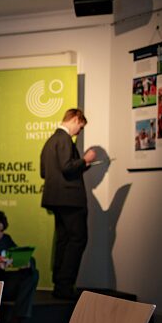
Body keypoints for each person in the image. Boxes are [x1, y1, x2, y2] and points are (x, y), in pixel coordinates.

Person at [40, 108, 96, 300]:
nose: (79, 132)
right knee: (77, 239)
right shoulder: (64, 139)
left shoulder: (50, 141)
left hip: (55, 199)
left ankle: (59, 283)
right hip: (71, 201)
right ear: (74, 119)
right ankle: (65, 284)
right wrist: (85, 160)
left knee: (63, 240)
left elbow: (44, 172)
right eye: (80, 127)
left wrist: (81, 165)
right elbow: (66, 167)